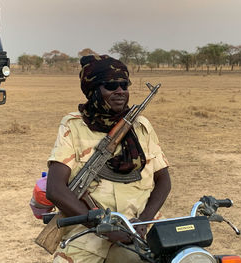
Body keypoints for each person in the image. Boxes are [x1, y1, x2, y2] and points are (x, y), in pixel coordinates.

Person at [46, 54, 171, 263]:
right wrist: (102, 227)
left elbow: (164, 180)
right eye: (111, 86)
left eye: (124, 84)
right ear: (94, 90)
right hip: (88, 232)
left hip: (141, 225)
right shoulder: (74, 126)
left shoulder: (141, 126)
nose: (120, 91)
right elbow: (55, 189)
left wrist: (144, 221)